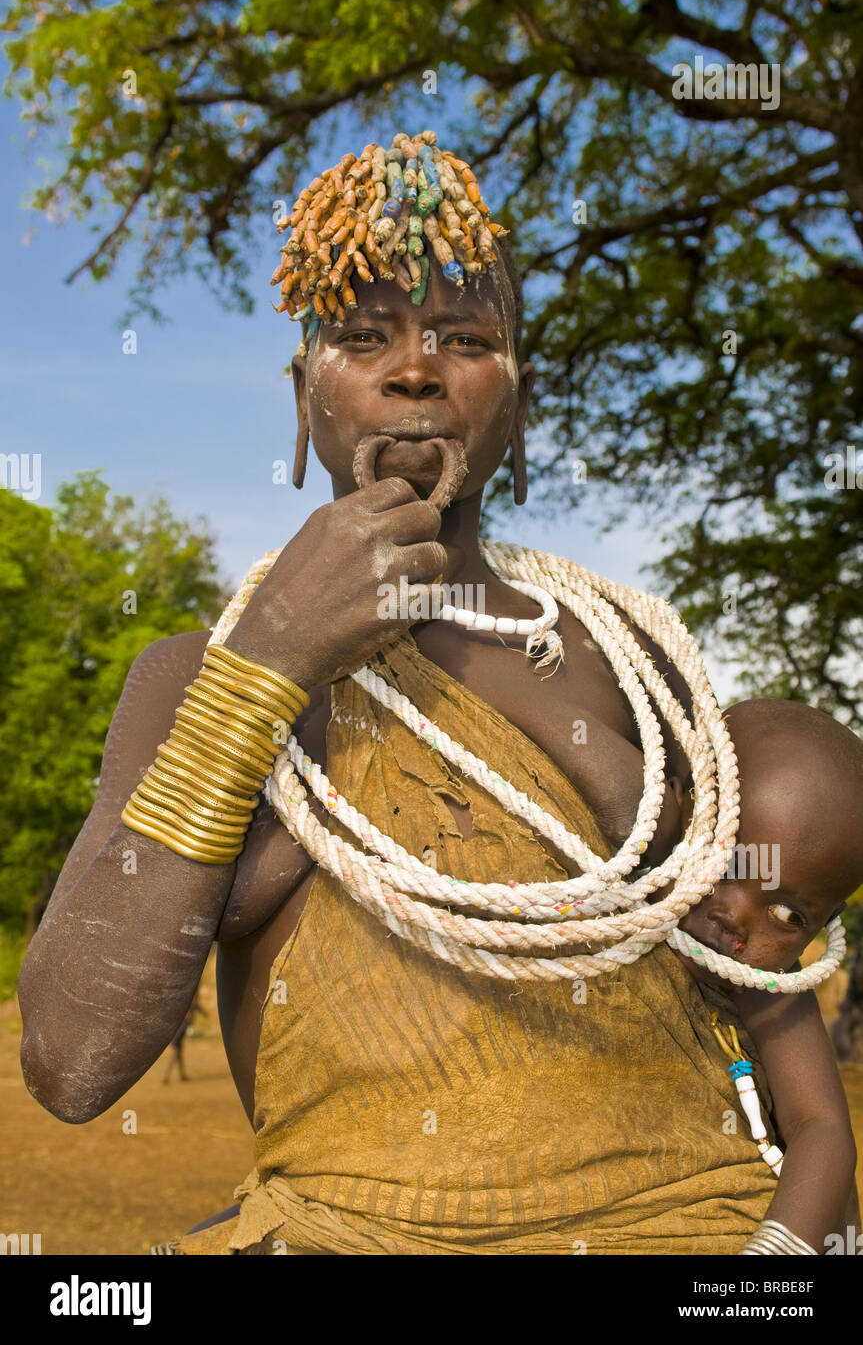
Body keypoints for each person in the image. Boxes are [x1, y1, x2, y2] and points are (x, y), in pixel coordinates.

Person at [17, 131, 859, 1255]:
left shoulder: (633, 670)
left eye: (462, 340)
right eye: (361, 339)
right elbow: (71, 1062)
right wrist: (266, 671)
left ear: (516, 408)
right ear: (302, 397)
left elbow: (759, 999)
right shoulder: (200, 678)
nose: (413, 369)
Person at [670, 698, 861, 1255]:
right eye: (728, 864)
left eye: (788, 916)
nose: (737, 919)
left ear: (824, 926)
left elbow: (821, 1129)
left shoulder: (769, 986)